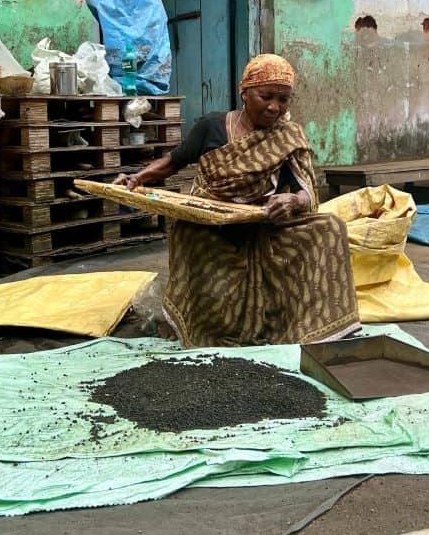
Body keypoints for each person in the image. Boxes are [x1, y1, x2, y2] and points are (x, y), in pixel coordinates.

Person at [115, 54, 359, 348]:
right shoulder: (212, 126)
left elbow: (307, 192)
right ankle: (203, 324)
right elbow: (173, 161)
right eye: (266, 96)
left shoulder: (288, 136)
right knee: (185, 230)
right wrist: (137, 178)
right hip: (212, 226)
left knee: (330, 227)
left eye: (283, 100)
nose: (274, 107)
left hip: (262, 226)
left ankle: (311, 326)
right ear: (244, 93)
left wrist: (292, 200)